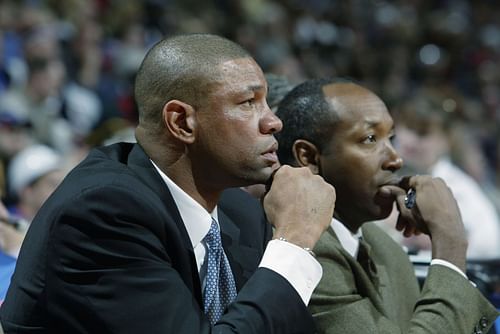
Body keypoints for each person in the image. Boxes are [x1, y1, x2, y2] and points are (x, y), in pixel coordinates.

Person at [0, 34, 335, 333]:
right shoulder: (100, 213)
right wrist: (293, 241)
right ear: (181, 122)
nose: (274, 121)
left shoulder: (241, 213)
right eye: (248, 103)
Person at [275, 78, 499, 333]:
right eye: (370, 138)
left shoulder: (387, 249)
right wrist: (450, 243)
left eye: (391, 138)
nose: (396, 158)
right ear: (310, 157)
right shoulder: (304, 251)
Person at [393, 93, 500, 259]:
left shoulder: (455, 187)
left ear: (445, 140)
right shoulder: (394, 173)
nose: (410, 140)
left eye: (422, 133)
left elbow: (487, 247)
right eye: (407, 128)